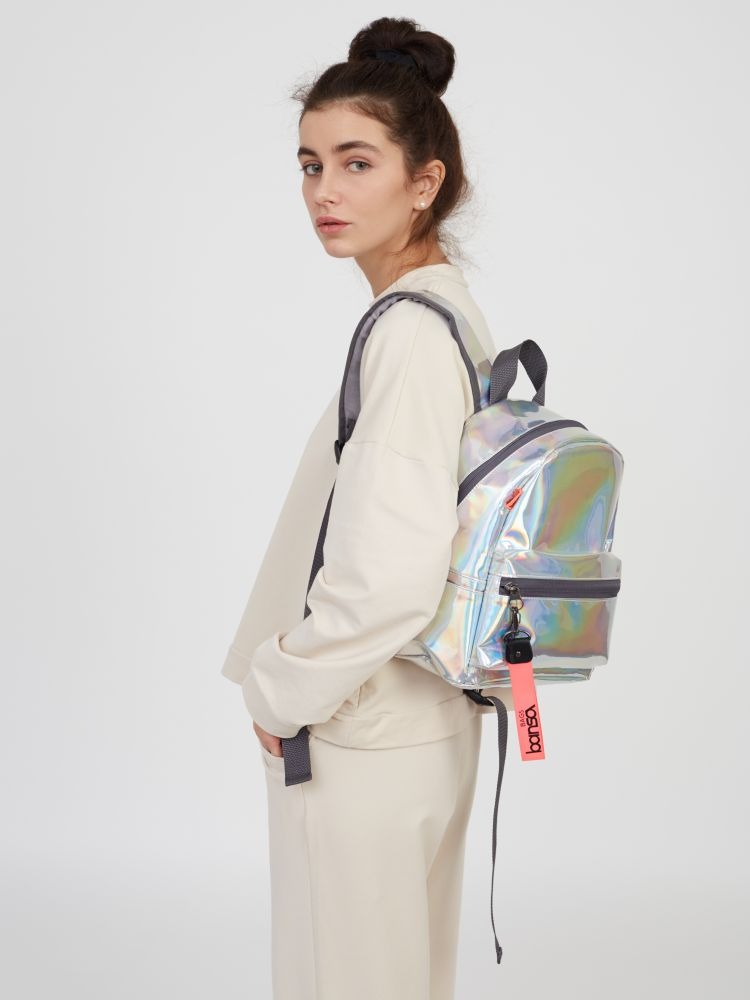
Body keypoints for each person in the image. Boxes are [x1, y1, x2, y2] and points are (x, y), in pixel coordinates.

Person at [221, 16, 512, 1000]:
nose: (324, 192)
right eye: (310, 165)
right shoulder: (446, 312)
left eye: (356, 162)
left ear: (425, 181)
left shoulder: (409, 334)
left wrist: (281, 686)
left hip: (363, 733)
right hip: (421, 723)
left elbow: (388, 573)